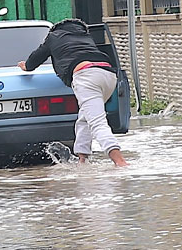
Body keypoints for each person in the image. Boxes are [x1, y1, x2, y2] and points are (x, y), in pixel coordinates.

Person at [17, 18, 129, 167]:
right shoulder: (85, 36)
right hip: (108, 74)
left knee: (97, 123)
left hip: (86, 76)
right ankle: (83, 161)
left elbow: (36, 59)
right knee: (84, 118)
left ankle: (120, 162)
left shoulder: (53, 37)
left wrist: (26, 66)